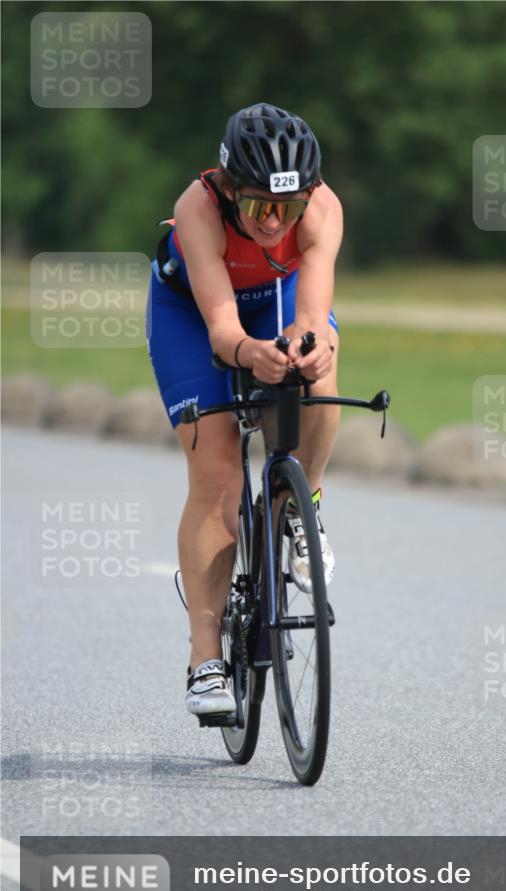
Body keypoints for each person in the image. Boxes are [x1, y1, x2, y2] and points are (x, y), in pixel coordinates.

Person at [146, 103, 343, 718]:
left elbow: (312, 316)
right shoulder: (197, 209)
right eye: (260, 207)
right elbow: (222, 331)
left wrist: (308, 348)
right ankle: (205, 660)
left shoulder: (324, 210)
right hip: (196, 315)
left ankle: (299, 505)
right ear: (230, 189)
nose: (273, 222)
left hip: (274, 300)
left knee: (324, 366)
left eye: (288, 210)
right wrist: (252, 353)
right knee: (219, 475)